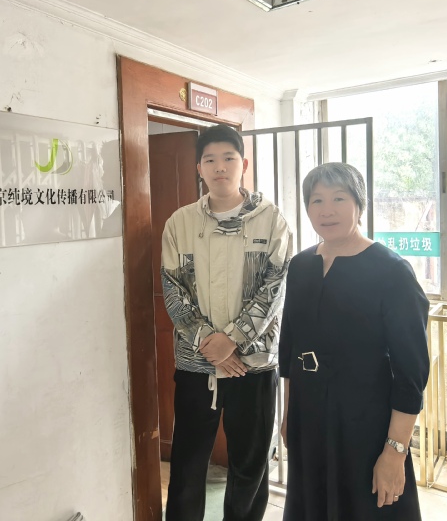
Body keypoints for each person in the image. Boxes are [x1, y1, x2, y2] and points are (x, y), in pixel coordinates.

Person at [279, 162, 430, 521]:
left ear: (360, 205)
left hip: (366, 423)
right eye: (316, 200)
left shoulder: (391, 271)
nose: (326, 210)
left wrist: (395, 451)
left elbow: (410, 372)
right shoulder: (300, 266)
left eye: (339, 198)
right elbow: (291, 347)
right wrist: (288, 415)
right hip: (308, 416)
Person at [161, 124, 292, 521]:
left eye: (229, 158)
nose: (220, 167)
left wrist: (232, 340)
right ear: (199, 168)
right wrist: (210, 343)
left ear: (244, 165)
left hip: (252, 364)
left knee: (250, 466)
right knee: (187, 465)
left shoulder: (271, 220)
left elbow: (275, 287)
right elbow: (172, 288)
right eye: (210, 160)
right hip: (196, 363)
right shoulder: (180, 222)